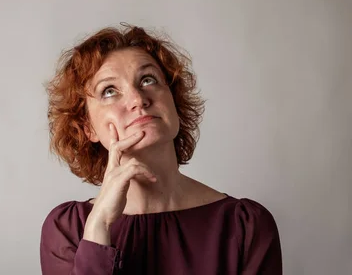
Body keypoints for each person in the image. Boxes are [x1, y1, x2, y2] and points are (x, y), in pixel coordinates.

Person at [40, 24, 282, 274]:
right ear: (86, 127)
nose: (138, 99)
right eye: (109, 91)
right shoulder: (68, 229)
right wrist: (98, 227)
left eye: (148, 79)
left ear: (173, 101)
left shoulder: (245, 225)